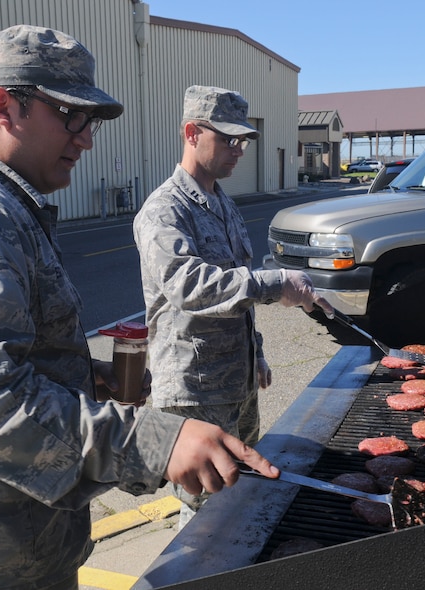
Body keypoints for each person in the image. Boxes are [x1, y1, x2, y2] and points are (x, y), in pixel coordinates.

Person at [0, 25, 278, 590]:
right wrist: (158, 440)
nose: (86, 139)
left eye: (93, 123)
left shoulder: (3, 202)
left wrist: (86, 376)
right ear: (3, 105)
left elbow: (8, 359)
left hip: (14, 542)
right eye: (70, 116)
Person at [133, 85, 333, 528]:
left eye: (243, 140)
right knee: (205, 510)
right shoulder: (163, 211)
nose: (239, 149)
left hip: (235, 380)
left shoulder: (222, 202)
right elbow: (190, 286)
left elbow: (235, 288)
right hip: (194, 388)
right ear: (191, 133)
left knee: (240, 493)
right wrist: (276, 283)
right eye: (228, 139)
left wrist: (256, 349)